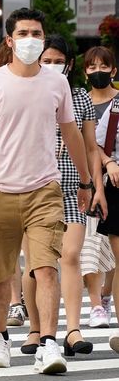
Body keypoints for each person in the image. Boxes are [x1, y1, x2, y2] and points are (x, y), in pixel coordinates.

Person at [0, 8, 93, 375]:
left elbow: (71, 134)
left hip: (44, 190)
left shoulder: (57, 84)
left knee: (46, 269)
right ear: (9, 40)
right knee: (1, 273)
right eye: (23, 33)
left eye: (36, 33)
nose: (31, 40)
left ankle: (49, 344)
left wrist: (84, 182)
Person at [20, 36, 103, 358]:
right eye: (47, 59)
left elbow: (91, 147)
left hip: (71, 189)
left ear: (69, 64)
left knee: (70, 256)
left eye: (59, 60)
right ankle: (35, 329)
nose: (52, 65)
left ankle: (72, 329)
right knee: (36, 263)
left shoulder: (79, 97)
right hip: (34, 188)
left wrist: (92, 185)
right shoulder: (28, 92)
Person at [86, 45, 119, 353]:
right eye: (92, 65)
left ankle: (105, 296)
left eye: (103, 65)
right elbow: (84, 141)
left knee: (112, 246)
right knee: (87, 245)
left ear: (113, 70)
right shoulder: (78, 102)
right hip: (83, 179)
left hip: (113, 181)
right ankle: (97, 302)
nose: (98, 70)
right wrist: (107, 160)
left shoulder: (118, 102)